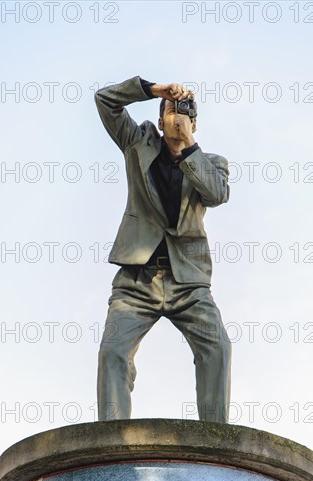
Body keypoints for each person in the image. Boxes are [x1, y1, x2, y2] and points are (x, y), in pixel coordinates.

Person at [94, 76, 232, 423]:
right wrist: (155, 90)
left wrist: (188, 145)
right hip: (137, 279)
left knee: (217, 347)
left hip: (188, 280)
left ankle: (214, 439)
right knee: (113, 352)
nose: (176, 115)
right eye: (170, 110)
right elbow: (105, 100)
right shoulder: (137, 143)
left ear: (194, 122)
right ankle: (112, 440)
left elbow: (216, 195)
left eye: (184, 111)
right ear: (160, 119)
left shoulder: (211, 162)